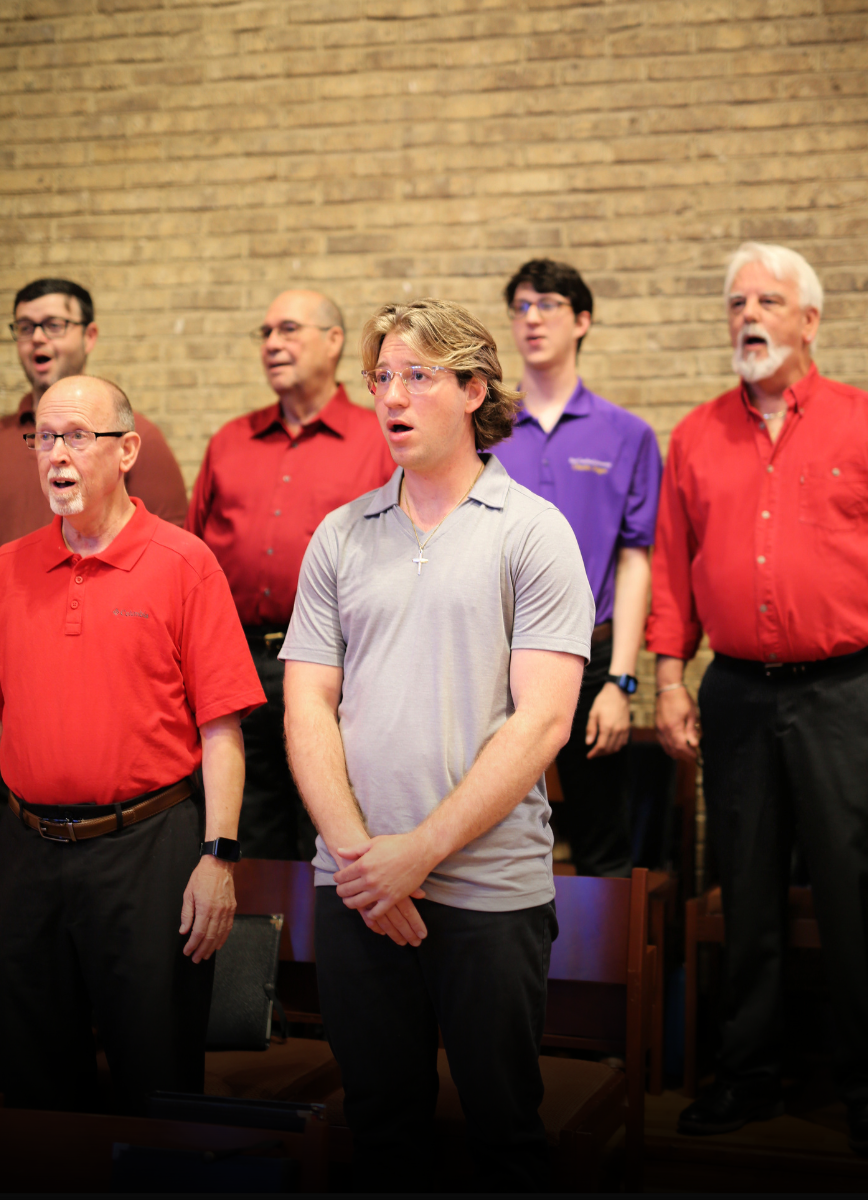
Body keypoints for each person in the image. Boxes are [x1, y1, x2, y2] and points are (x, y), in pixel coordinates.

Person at [281, 298, 594, 1192]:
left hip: (487, 893)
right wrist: (360, 863)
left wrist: (416, 853)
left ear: (472, 389)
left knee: (503, 1135)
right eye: (382, 376)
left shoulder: (532, 532)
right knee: (380, 1136)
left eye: (418, 375)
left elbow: (542, 723)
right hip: (356, 887)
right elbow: (307, 709)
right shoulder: (340, 536)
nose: (392, 395)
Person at [647, 242, 868, 1156]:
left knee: (855, 890)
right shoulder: (697, 435)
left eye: (768, 301)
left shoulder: (867, 424)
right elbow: (673, 568)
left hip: (844, 692)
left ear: (809, 321)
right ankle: (744, 1072)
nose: (748, 315)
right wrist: (670, 678)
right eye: (736, 301)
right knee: (742, 886)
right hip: (738, 693)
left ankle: (867, 1084)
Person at [0, 375, 265, 1116]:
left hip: (149, 850)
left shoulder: (183, 563)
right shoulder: (3, 571)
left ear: (127, 449)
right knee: (30, 1085)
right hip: (25, 851)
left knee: (157, 1079)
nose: (56, 455)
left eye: (77, 436)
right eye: (44, 437)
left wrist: (220, 856)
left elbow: (222, 728)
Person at [187, 289, 394, 861]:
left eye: (288, 330)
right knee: (241, 835)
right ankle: (251, 954)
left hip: (342, 667)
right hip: (238, 666)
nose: (273, 343)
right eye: (265, 333)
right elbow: (193, 561)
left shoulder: (378, 437)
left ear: (334, 341)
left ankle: (328, 952)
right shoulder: (230, 441)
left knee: (331, 832)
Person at [492, 258, 662, 877]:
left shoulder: (627, 434)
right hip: (492, 659)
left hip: (590, 662)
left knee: (600, 847)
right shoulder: (483, 428)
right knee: (488, 835)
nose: (532, 319)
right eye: (521, 307)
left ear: (582, 320)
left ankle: (601, 975)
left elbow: (635, 559)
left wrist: (622, 683)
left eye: (549, 305)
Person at [0, 277, 188, 560]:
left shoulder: (133, 438)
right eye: (25, 327)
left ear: (89, 335)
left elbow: (170, 553)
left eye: (54, 325)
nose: (37, 338)